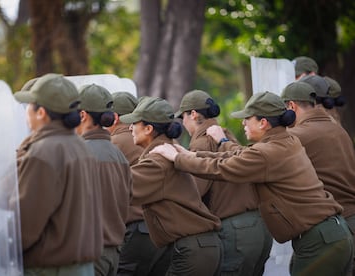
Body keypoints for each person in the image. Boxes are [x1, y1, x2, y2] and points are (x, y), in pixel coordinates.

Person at [151, 91, 354, 276]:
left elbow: (221, 168)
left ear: (263, 122)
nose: (243, 124)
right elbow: (239, 154)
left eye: (247, 119)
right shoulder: (284, 142)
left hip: (319, 239)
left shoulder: (267, 152)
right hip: (330, 234)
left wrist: (178, 159)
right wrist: (190, 153)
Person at [120, 96, 222, 276]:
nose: (130, 128)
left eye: (134, 123)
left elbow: (119, 187)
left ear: (149, 128)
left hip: (193, 248)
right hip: (198, 246)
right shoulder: (166, 153)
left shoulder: (157, 161)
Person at [12, 73, 103, 275]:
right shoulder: (81, 146)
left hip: (50, 269)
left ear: (41, 112)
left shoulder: (44, 152)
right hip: (82, 268)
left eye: (29, 105)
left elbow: (25, 227)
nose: (25, 111)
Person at [175, 89, 272, 276]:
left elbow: (194, 192)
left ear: (193, 114)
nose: (183, 123)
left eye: (183, 117)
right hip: (258, 226)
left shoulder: (202, 142)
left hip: (235, 231)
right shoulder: (225, 137)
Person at [281, 81, 355, 274]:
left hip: (333, 225)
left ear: (291, 106)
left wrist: (223, 142)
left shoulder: (298, 135)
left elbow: (259, 156)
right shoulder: (338, 129)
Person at [106, 92, 170, 276]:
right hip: (156, 228)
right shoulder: (147, 140)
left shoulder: (114, 143)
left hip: (134, 229)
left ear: (115, 117)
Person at [75, 84, 132, 276]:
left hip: (89, 255)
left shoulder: (78, 153)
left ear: (82, 115)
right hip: (112, 255)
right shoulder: (118, 155)